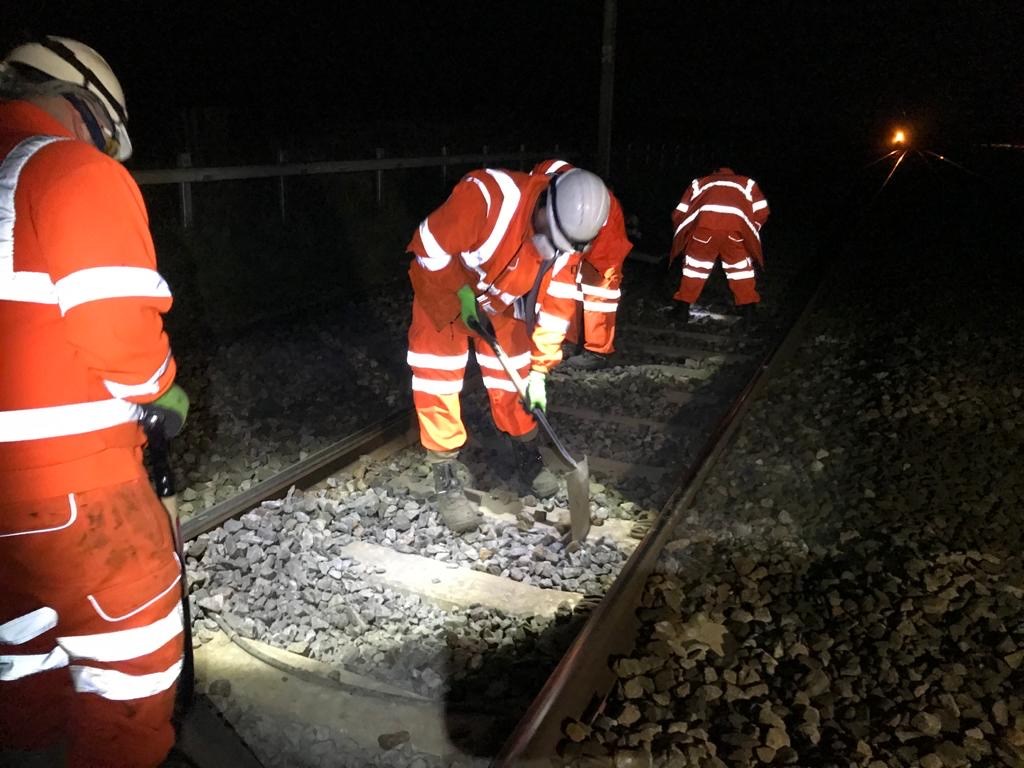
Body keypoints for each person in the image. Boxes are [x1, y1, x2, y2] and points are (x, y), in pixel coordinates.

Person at [0, 37, 190, 767]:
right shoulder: (70, 170)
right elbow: (121, 334)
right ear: (88, 108)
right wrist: (164, 391)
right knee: (127, 685)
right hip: (72, 499)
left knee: (21, 677)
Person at [406, 165, 609, 532]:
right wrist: (460, 291)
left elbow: (557, 307)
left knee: (512, 373)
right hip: (445, 285)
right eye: (550, 234)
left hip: (502, 298)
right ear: (547, 203)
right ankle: (445, 472)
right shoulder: (487, 197)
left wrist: (539, 372)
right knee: (437, 378)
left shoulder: (569, 240)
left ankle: (527, 454)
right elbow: (428, 245)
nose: (551, 245)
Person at [531, 160, 633, 370]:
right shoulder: (545, 181)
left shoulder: (574, 206)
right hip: (584, 228)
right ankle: (568, 341)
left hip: (606, 245)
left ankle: (598, 351)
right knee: (574, 293)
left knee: (599, 296)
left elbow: (559, 286)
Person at [668, 167, 770, 324]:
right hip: (735, 232)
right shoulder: (747, 183)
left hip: (703, 231)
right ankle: (749, 312)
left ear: (714, 173)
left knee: (694, 270)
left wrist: (685, 233)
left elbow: (679, 212)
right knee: (740, 271)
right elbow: (762, 212)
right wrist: (749, 229)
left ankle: (682, 310)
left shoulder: (699, 183)